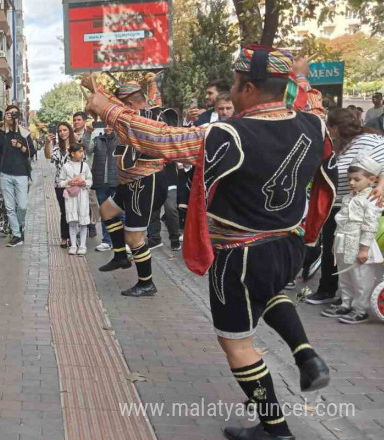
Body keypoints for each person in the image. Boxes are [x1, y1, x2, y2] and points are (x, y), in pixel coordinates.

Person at [84, 47, 335, 440]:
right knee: (268, 294)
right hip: (289, 244)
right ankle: (306, 355)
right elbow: (311, 100)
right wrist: (299, 75)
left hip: (240, 253)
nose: (229, 92)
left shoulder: (229, 134)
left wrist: (107, 108)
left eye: (234, 84)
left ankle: (277, 430)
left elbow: (162, 141)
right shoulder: (313, 125)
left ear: (248, 88)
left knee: (237, 345)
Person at [96, 74, 177, 297]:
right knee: (106, 211)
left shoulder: (141, 117)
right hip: (130, 181)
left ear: (129, 104)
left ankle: (146, 282)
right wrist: (151, 82)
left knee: (135, 238)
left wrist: (97, 90)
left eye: (122, 104)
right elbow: (149, 97)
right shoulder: (147, 109)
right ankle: (120, 255)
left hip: (146, 181)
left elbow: (111, 107)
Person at [305, 108, 384, 306]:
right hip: (339, 204)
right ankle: (331, 291)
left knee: (357, 255)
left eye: (329, 126)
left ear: (335, 127)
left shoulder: (371, 141)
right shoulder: (335, 145)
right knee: (334, 250)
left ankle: (356, 300)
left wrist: (382, 186)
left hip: (364, 206)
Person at [322, 155, 384, 324]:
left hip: (359, 244)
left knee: (360, 278)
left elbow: (370, 225)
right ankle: (346, 303)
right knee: (345, 276)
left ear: (371, 179)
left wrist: (364, 249)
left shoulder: (371, 199)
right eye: (350, 179)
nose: (352, 183)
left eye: (357, 179)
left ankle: (360, 309)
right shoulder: (349, 197)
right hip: (343, 242)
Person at [0, 105, 33, 247]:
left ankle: (19, 225)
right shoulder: (3, 132)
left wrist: (20, 146)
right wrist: (5, 125)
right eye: (9, 113)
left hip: (21, 173)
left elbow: (31, 152)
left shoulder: (24, 133)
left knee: (22, 206)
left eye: (14, 113)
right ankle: (16, 234)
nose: (11, 116)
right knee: (10, 207)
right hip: (5, 173)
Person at [58, 143, 93, 255]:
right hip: (71, 197)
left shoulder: (85, 166)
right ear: (72, 153)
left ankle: (82, 245)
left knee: (83, 221)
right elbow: (60, 182)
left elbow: (90, 180)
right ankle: (73, 245)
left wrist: (84, 183)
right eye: (80, 151)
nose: (82, 153)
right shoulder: (66, 166)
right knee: (72, 221)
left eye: (83, 151)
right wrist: (68, 182)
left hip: (82, 196)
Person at [44, 122, 73, 248]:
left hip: (74, 183)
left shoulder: (76, 146)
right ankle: (64, 237)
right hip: (60, 184)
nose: (62, 133)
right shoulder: (57, 148)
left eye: (65, 130)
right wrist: (47, 143)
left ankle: (74, 236)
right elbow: (48, 155)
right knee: (64, 211)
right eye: (60, 131)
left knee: (74, 211)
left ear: (69, 131)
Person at [92, 127, 119, 252]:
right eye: (106, 124)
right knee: (104, 212)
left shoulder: (120, 139)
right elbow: (87, 148)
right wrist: (87, 132)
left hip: (117, 181)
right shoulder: (98, 140)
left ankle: (120, 242)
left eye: (111, 124)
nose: (108, 127)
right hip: (101, 182)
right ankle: (107, 241)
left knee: (120, 213)